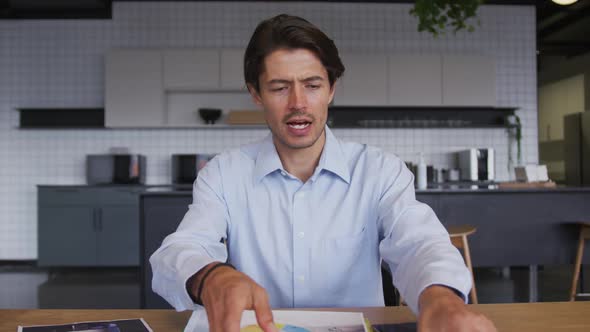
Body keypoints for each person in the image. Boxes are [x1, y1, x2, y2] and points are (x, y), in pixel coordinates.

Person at [150, 14, 497, 332]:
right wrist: (211, 277)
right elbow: (180, 249)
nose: (298, 102)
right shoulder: (223, 174)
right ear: (256, 93)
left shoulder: (379, 171)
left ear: (331, 89)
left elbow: (419, 244)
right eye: (279, 87)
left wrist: (440, 298)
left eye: (312, 85)